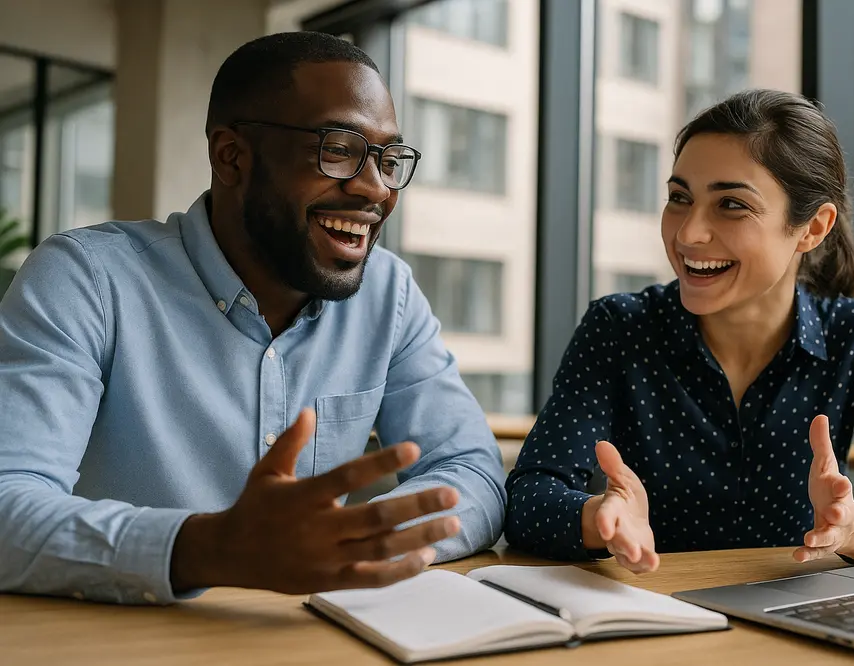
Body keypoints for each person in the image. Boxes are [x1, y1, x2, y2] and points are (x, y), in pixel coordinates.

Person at [0, 32, 506, 605]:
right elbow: (6, 504)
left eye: (389, 159)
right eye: (338, 149)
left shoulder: (388, 294)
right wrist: (208, 549)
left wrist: (349, 544)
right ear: (231, 156)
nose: (375, 189)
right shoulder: (85, 280)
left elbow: (471, 470)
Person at [504, 89, 854, 574]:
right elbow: (529, 496)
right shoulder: (619, 329)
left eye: (731, 204)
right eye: (680, 198)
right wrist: (597, 516)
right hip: (654, 615)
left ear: (812, 228)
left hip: (800, 624)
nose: (688, 234)